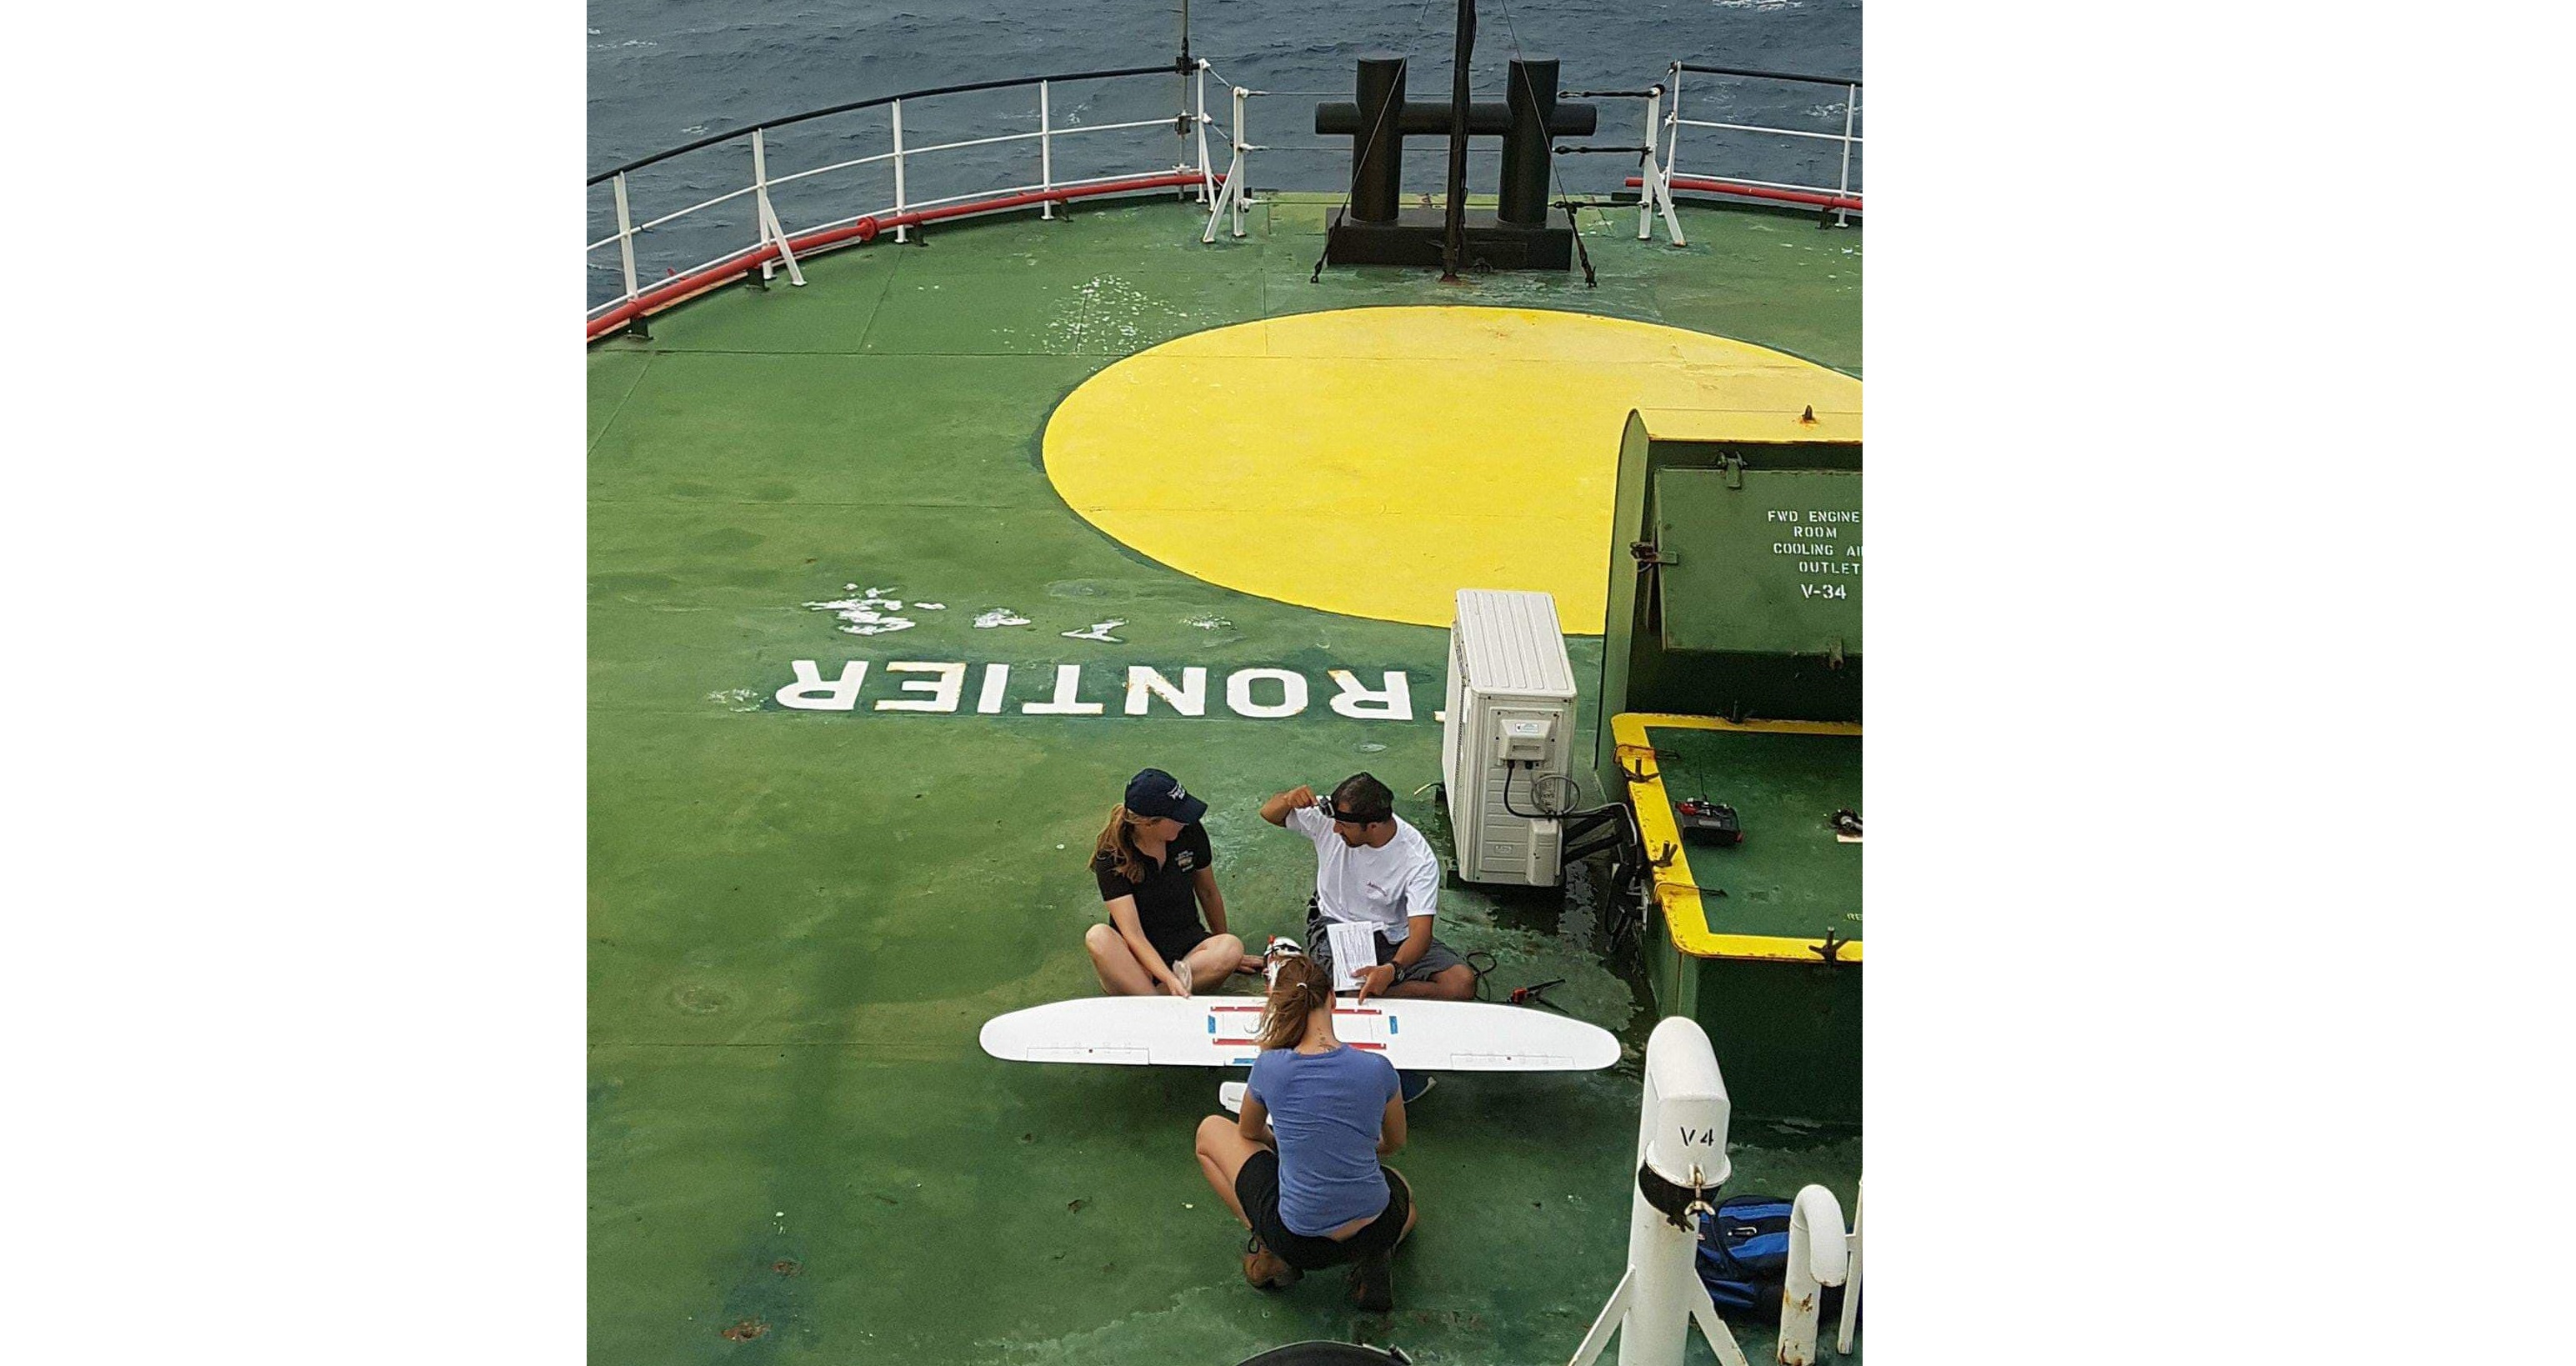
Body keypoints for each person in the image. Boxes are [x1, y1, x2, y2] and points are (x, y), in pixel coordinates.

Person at [1193, 951, 1418, 1311]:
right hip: (1375, 1226)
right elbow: (1394, 1142)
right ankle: (1373, 1258)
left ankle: (1270, 1247)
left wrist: (1281, 1142)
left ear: (1280, 1005)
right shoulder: (1378, 1069)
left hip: (1300, 1239)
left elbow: (1249, 1132)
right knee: (1403, 1192)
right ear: (1332, 999)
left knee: (1208, 1134)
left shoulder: (1271, 1066)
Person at [1258, 773, 1477, 1004]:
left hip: (1394, 935)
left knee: (1462, 983)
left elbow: (1421, 934)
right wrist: (1287, 799)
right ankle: (1363, 992)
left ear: (1372, 825)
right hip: (1336, 921)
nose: (1335, 830)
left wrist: (1393, 969)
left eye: (1343, 826)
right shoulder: (1330, 816)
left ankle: (1368, 992)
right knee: (1343, 990)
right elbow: (1269, 813)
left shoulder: (1417, 860)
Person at [1084, 768, 1255, 996]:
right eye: (1177, 817)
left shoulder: (1190, 832)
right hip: (1136, 963)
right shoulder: (1112, 856)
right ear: (1148, 823)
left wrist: (1224, 945)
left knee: (1230, 947)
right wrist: (1168, 978)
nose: (1186, 821)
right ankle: (1158, 998)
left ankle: (1150, 1001)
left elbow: (1208, 892)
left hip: (1186, 952)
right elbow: (1133, 934)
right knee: (1098, 937)